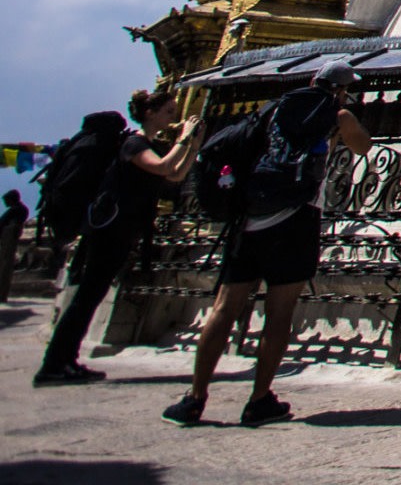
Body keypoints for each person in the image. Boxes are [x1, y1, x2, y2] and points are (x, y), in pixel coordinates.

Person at [164, 60, 369, 428]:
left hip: (250, 218)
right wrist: (342, 124)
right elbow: (363, 147)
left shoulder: (272, 110)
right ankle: (259, 399)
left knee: (224, 308)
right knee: (279, 313)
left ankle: (195, 398)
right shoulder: (337, 115)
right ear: (342, 89)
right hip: (296, 219)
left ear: (312, 80)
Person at [34, 88, 199, 386]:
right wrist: (184, 138)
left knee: (91, 296)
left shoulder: (144, 144)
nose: (172, 118)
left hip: (124, 229)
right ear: (149, 113)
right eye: (168, 113)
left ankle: (65, 361)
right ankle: (55, 364)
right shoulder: (133, 143)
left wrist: (193, 145)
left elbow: (173, 174)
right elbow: (161, 166)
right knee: (87, 297)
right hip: (111, 230)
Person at [0, 188, 28, 302]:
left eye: (6, 200)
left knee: (5, 266)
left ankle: (1, 294)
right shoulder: (16, 209)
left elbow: (12, 226)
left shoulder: (18, 210)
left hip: (9, 238)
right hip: (6, 238)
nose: (4, 203)